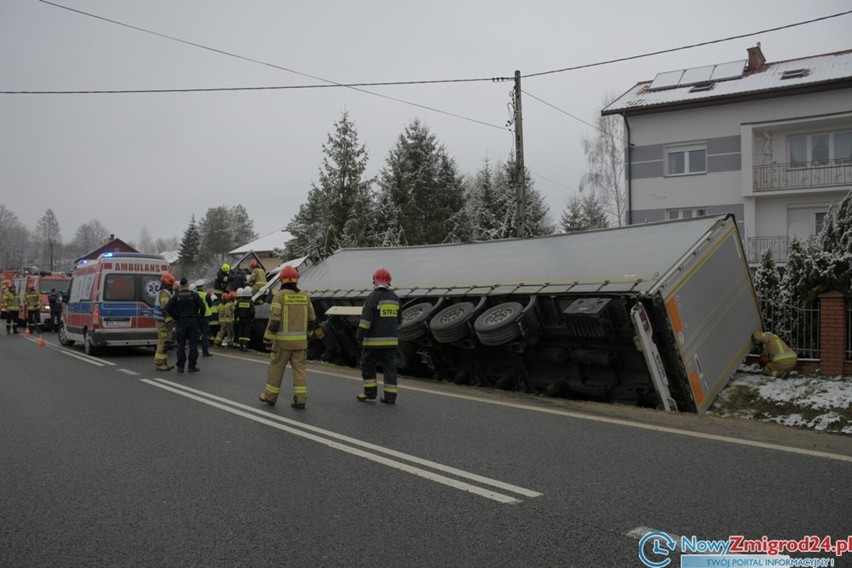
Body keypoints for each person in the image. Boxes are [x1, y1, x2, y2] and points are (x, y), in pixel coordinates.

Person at [259, 266, 316, 409]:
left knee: (276, 370)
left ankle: (270, 397)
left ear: (281, 280)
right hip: (300, 344)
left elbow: (274, 321)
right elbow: (312, 320)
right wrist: (307, 336)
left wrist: (267, 339)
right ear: (296, 280)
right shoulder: (305, 296)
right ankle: (300, 400)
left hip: (282, 344)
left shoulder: (279, 296)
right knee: (300, 371)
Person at [355, 268, 401, 404]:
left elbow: (366, 320)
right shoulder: (395, 297)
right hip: (391, 342)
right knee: (390, 368)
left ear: (374, 280)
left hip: (373, 342)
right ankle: (390, 397)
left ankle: (369, 393)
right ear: (389, 281)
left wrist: (359, 336)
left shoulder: (373, 297)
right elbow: (399, 320)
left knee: (368, 365)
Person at [165, 277, 205, 373]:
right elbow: (202, 307)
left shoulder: (176, 296)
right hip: (193, 321)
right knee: (193, 344)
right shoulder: (194, 295)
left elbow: (168, 307)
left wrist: (176, 316)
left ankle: (181, 366)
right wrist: (200, 316)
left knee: (181, 345)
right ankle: (191, 366)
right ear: (187, 285)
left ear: (180, 286)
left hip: (181, 322)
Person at [153, 273, 176, 371]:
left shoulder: (166, 291)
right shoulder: (165, 292)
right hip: (162, 321)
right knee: (162, 341)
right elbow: (164, 308)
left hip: (163, 320)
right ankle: (159, 363)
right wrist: (169, 320)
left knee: (167, 341)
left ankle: (164, 362)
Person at [194, 280, 214, 358]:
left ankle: (194, 350)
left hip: (196, 317)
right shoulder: (206, 295)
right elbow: (210, 304)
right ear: (202, 287)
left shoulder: (194, 295)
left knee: (195, 334)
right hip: (205, 317)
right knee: (205, 335)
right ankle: (205, 352)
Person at [234, 286, 255, 352]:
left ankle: (240, 346)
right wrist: (252, 318)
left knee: (241, 332)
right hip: (248, 320)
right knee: (246, 333)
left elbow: (236, 311)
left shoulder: (239, 301)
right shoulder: (250, 302)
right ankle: (245, 346)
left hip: (240, 319)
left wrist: (236, 318)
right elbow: (252, 311)